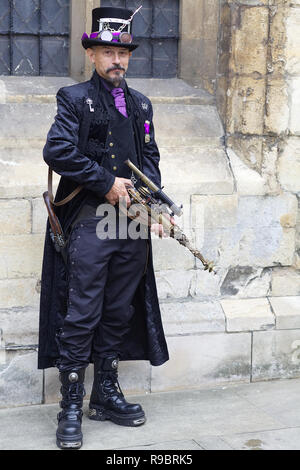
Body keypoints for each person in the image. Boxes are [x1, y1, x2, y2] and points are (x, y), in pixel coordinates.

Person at [38, 6, 169, 450]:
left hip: (131, 221)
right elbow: (56, 150)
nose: (118, 59)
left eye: (123, 52)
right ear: (92, 53)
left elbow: (149, 161)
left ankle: (105, 395)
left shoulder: (142, 104)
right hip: (91, 219)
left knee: (118, 309)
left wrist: (157, 208)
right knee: (82, 312)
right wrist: (107, 182)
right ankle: (70, 404)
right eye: (108, 51)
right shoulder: (73, 99)